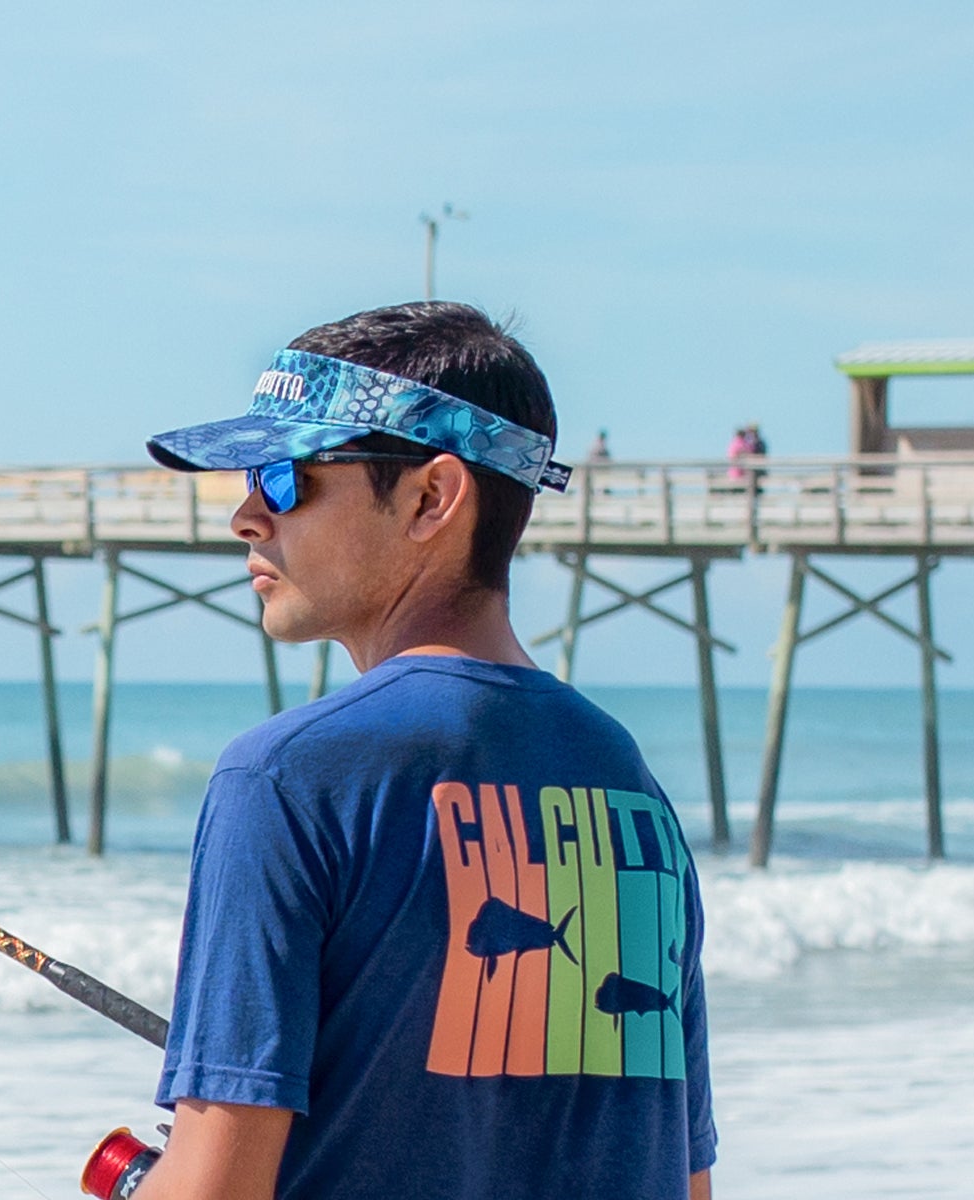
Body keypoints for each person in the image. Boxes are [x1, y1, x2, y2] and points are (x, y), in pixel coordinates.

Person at [136, 301, 715, 1199]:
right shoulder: (632, 789)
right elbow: (686, 1183)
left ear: (431, 498)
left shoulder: (284, 781)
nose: (247, 516)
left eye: (284, 476)